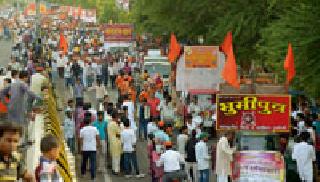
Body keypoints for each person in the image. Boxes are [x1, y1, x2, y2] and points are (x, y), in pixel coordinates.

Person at [80, 115, 100, 180]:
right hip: (93, 148)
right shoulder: (95, 129)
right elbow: (97, 138)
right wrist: (98, 145)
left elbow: (81, 140)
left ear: (84, 122)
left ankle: (83, 173)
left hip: (85, 148)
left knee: (84, 161)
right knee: (93, 163)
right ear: (90, 122)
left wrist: (81, 147)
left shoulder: (82, 130)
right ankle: (93, 177)